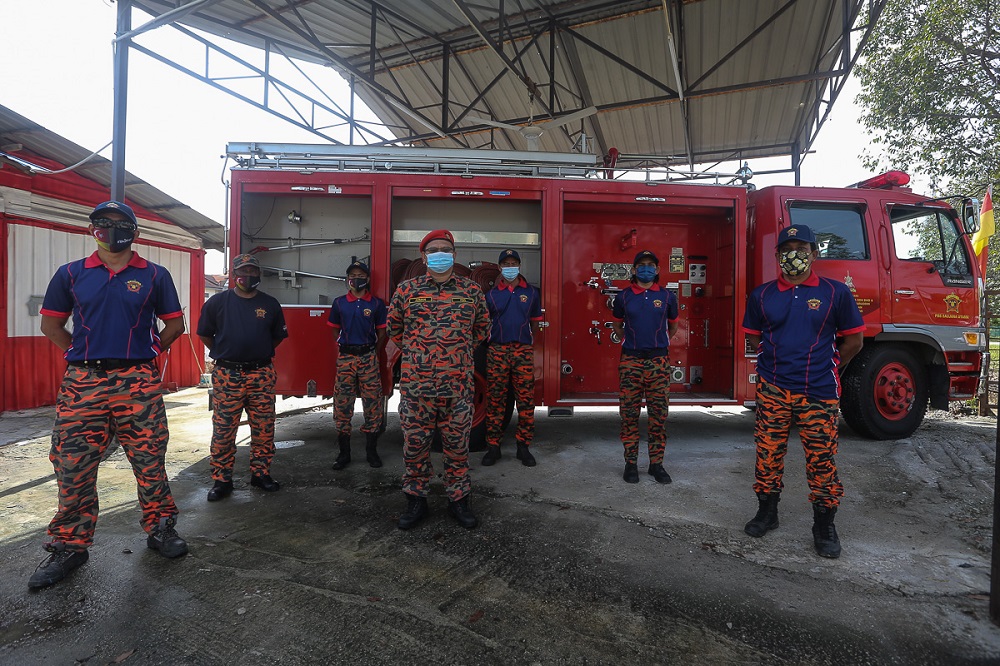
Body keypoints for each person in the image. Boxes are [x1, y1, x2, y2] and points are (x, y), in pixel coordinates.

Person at [30, 200, 188, 590]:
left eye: (122, 224)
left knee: (149, 458)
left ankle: (161, 528)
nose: (113, 229)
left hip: (137, 379)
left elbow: (175, 324)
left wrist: (148, 353)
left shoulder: (154, 274)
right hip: (83, 382)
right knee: (73, 463)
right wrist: (82, 355)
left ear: (135, 232)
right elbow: (51, 324)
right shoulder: (70, 274)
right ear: (92, 229)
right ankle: (70, 545)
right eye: (105, 222)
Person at [741, 224, 864, 559]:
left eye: (801, 248)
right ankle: (767, 512)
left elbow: (854, 340)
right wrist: (770, 356)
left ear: (814, 253)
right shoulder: (762, 295)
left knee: (821, 460)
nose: (794, 254)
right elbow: (753, 336)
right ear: (778, 255)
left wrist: (832, 367)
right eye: (787, 249)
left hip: (818, 392)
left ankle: (824, 525)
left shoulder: (835, 292)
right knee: (767, 455)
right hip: (773, 390)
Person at [387, 229, 490, 530]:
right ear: (424, 256)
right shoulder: (407, 291)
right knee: (415, 447)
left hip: (457, 390)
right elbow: (396, 331)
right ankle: (415, 500)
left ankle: (459, 500)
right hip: (417, 390)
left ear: (454, 255)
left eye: (446, 249)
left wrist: (453, 356)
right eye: (434, 250)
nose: (440, 254)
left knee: (458, 449)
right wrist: (423, 356)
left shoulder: (471, 292)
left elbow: (481, 331)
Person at [197, 253, 288, 502]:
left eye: (253, 271)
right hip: (228, 374)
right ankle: (221, 479)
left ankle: (261, 474)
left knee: (264, 427)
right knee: (224, 429)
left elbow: (277, 337)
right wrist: (223, 350)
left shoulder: (270, 304)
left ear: (259, 274)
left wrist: (258, 349)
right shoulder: (217, 303)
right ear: (234, 274)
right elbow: (205, 334)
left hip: (261, 373)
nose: (248, 276)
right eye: (243, 271)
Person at [610, 250, 679, 485]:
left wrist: (655, 343)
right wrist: (632, 341)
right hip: (631, 361)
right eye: (642, 265)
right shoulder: (624, 297)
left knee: (658, 416)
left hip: (658, 361)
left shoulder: (668, 297)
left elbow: (673, 327)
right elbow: (618, 325)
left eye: (651, 265)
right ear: (634, 269)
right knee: (629, 415)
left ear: (658, 270)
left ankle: (656, 465)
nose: (646, 269)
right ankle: (631, 464)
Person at [482, 249, 543, 467]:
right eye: (506, 263)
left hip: (522, 352)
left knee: (525, 401)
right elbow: (483, 323)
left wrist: (526, 343)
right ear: (499, 268)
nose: (510, 267)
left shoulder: (532, 293)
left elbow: (535, 322)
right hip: (497, 351)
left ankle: (523, 447)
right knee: (496, 401)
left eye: (514, 263)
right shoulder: (490, 296)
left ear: (519, 266)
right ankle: (493, 447)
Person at [328, 260, 387, 469]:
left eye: (361, 275)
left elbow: (382, 331)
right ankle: (344, 454)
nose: (357, 278)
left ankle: (372, 452)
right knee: (342, 404)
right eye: (353, 275)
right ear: (347, 279)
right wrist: (342, 345)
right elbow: (334, 329)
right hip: (346, 358)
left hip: (368, 357)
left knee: (373, 404)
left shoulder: (376, 304)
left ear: (367, 279)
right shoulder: (339, 303)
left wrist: (373, 351)